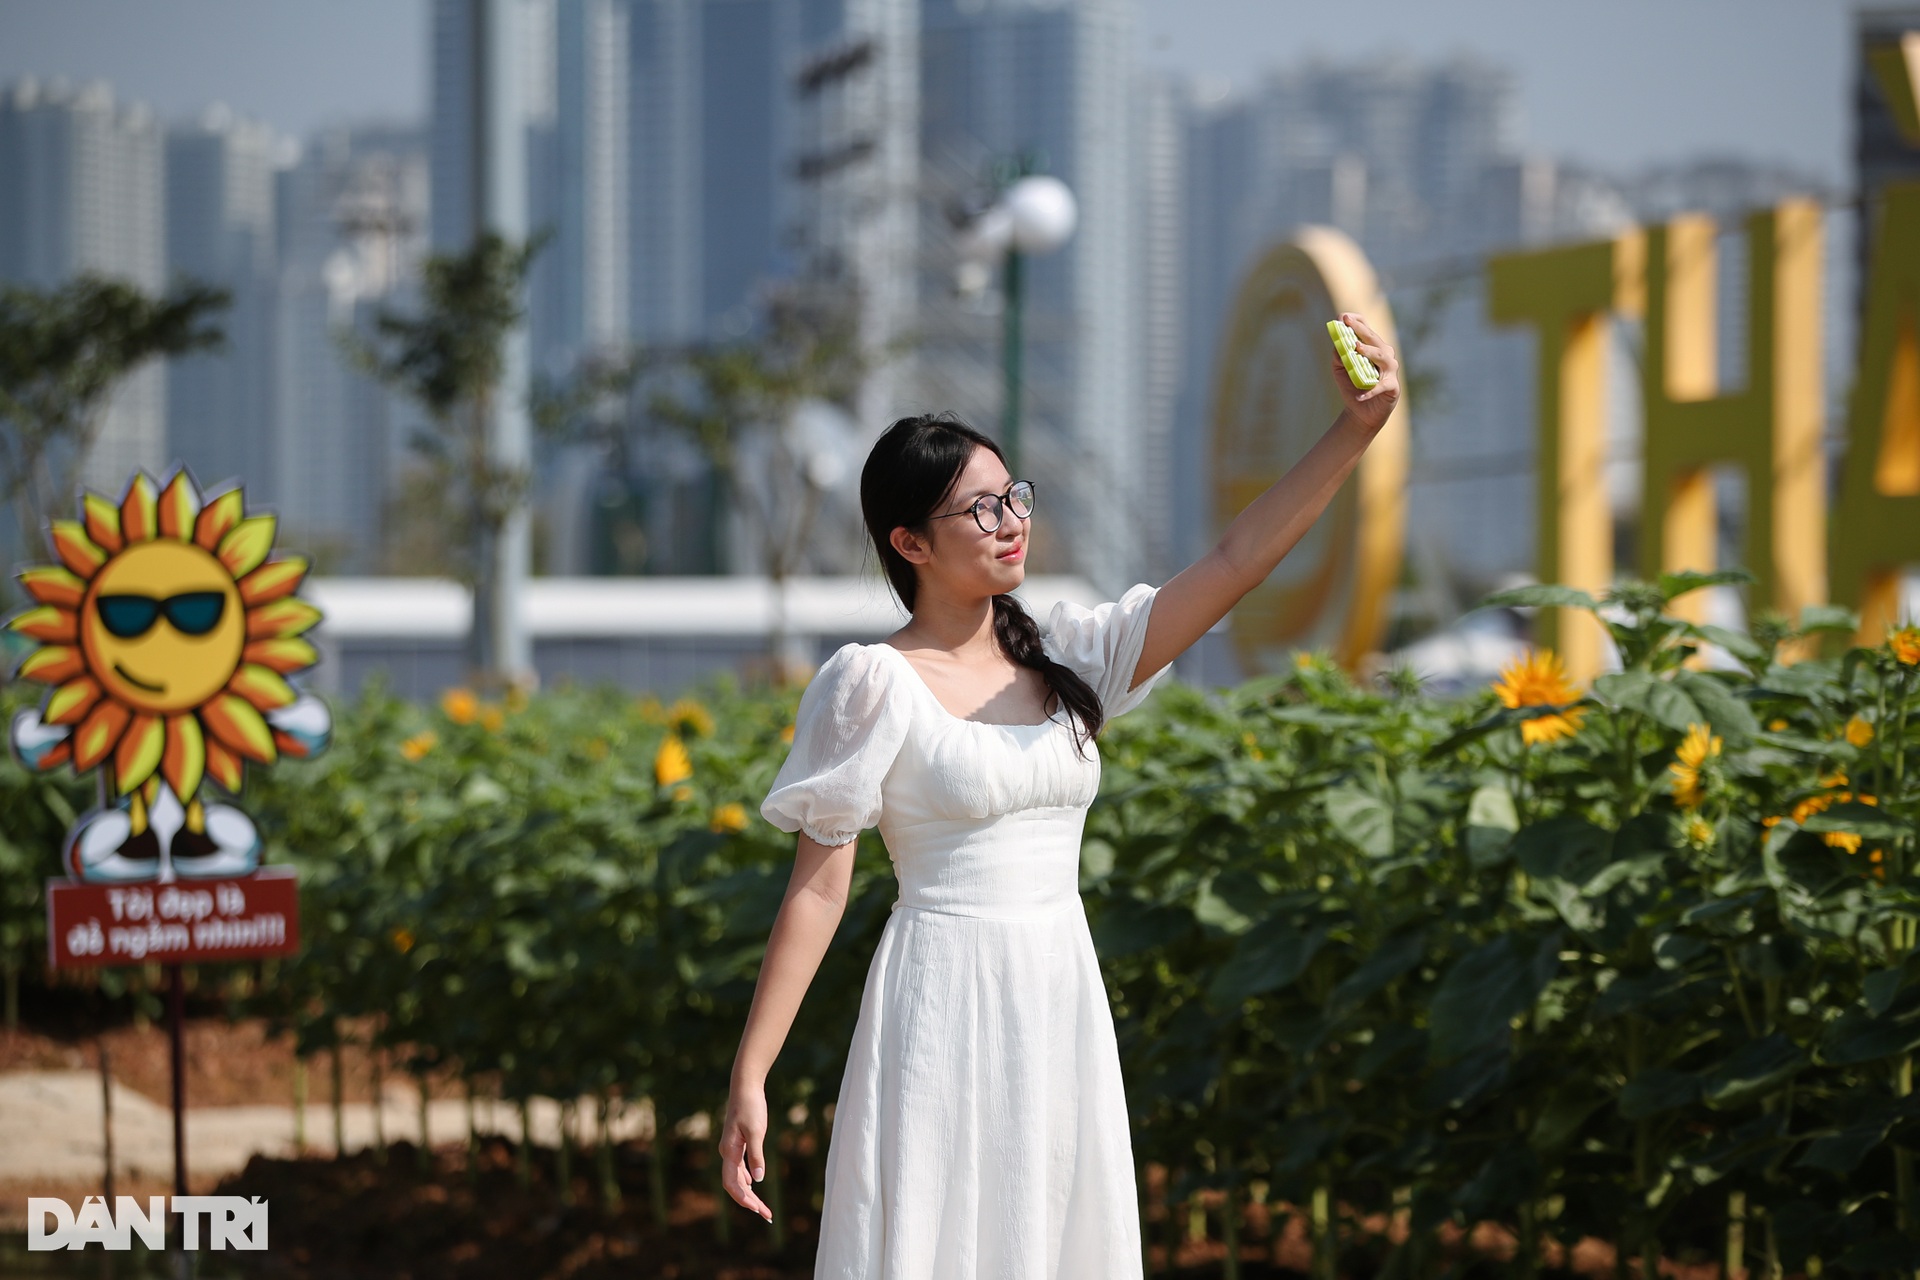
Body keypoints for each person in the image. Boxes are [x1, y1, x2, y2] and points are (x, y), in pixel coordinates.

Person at [719, 313, 1401, 1277]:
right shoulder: (869, 681)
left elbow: (1237, 563)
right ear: (908, 540)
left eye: (1015, 498)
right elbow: (819, 889)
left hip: (1057, 990)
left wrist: (1357, 429)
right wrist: (751, 1072)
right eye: (980, 511)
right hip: (941, 996)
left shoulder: (1071, 654)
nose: (1012, 523)